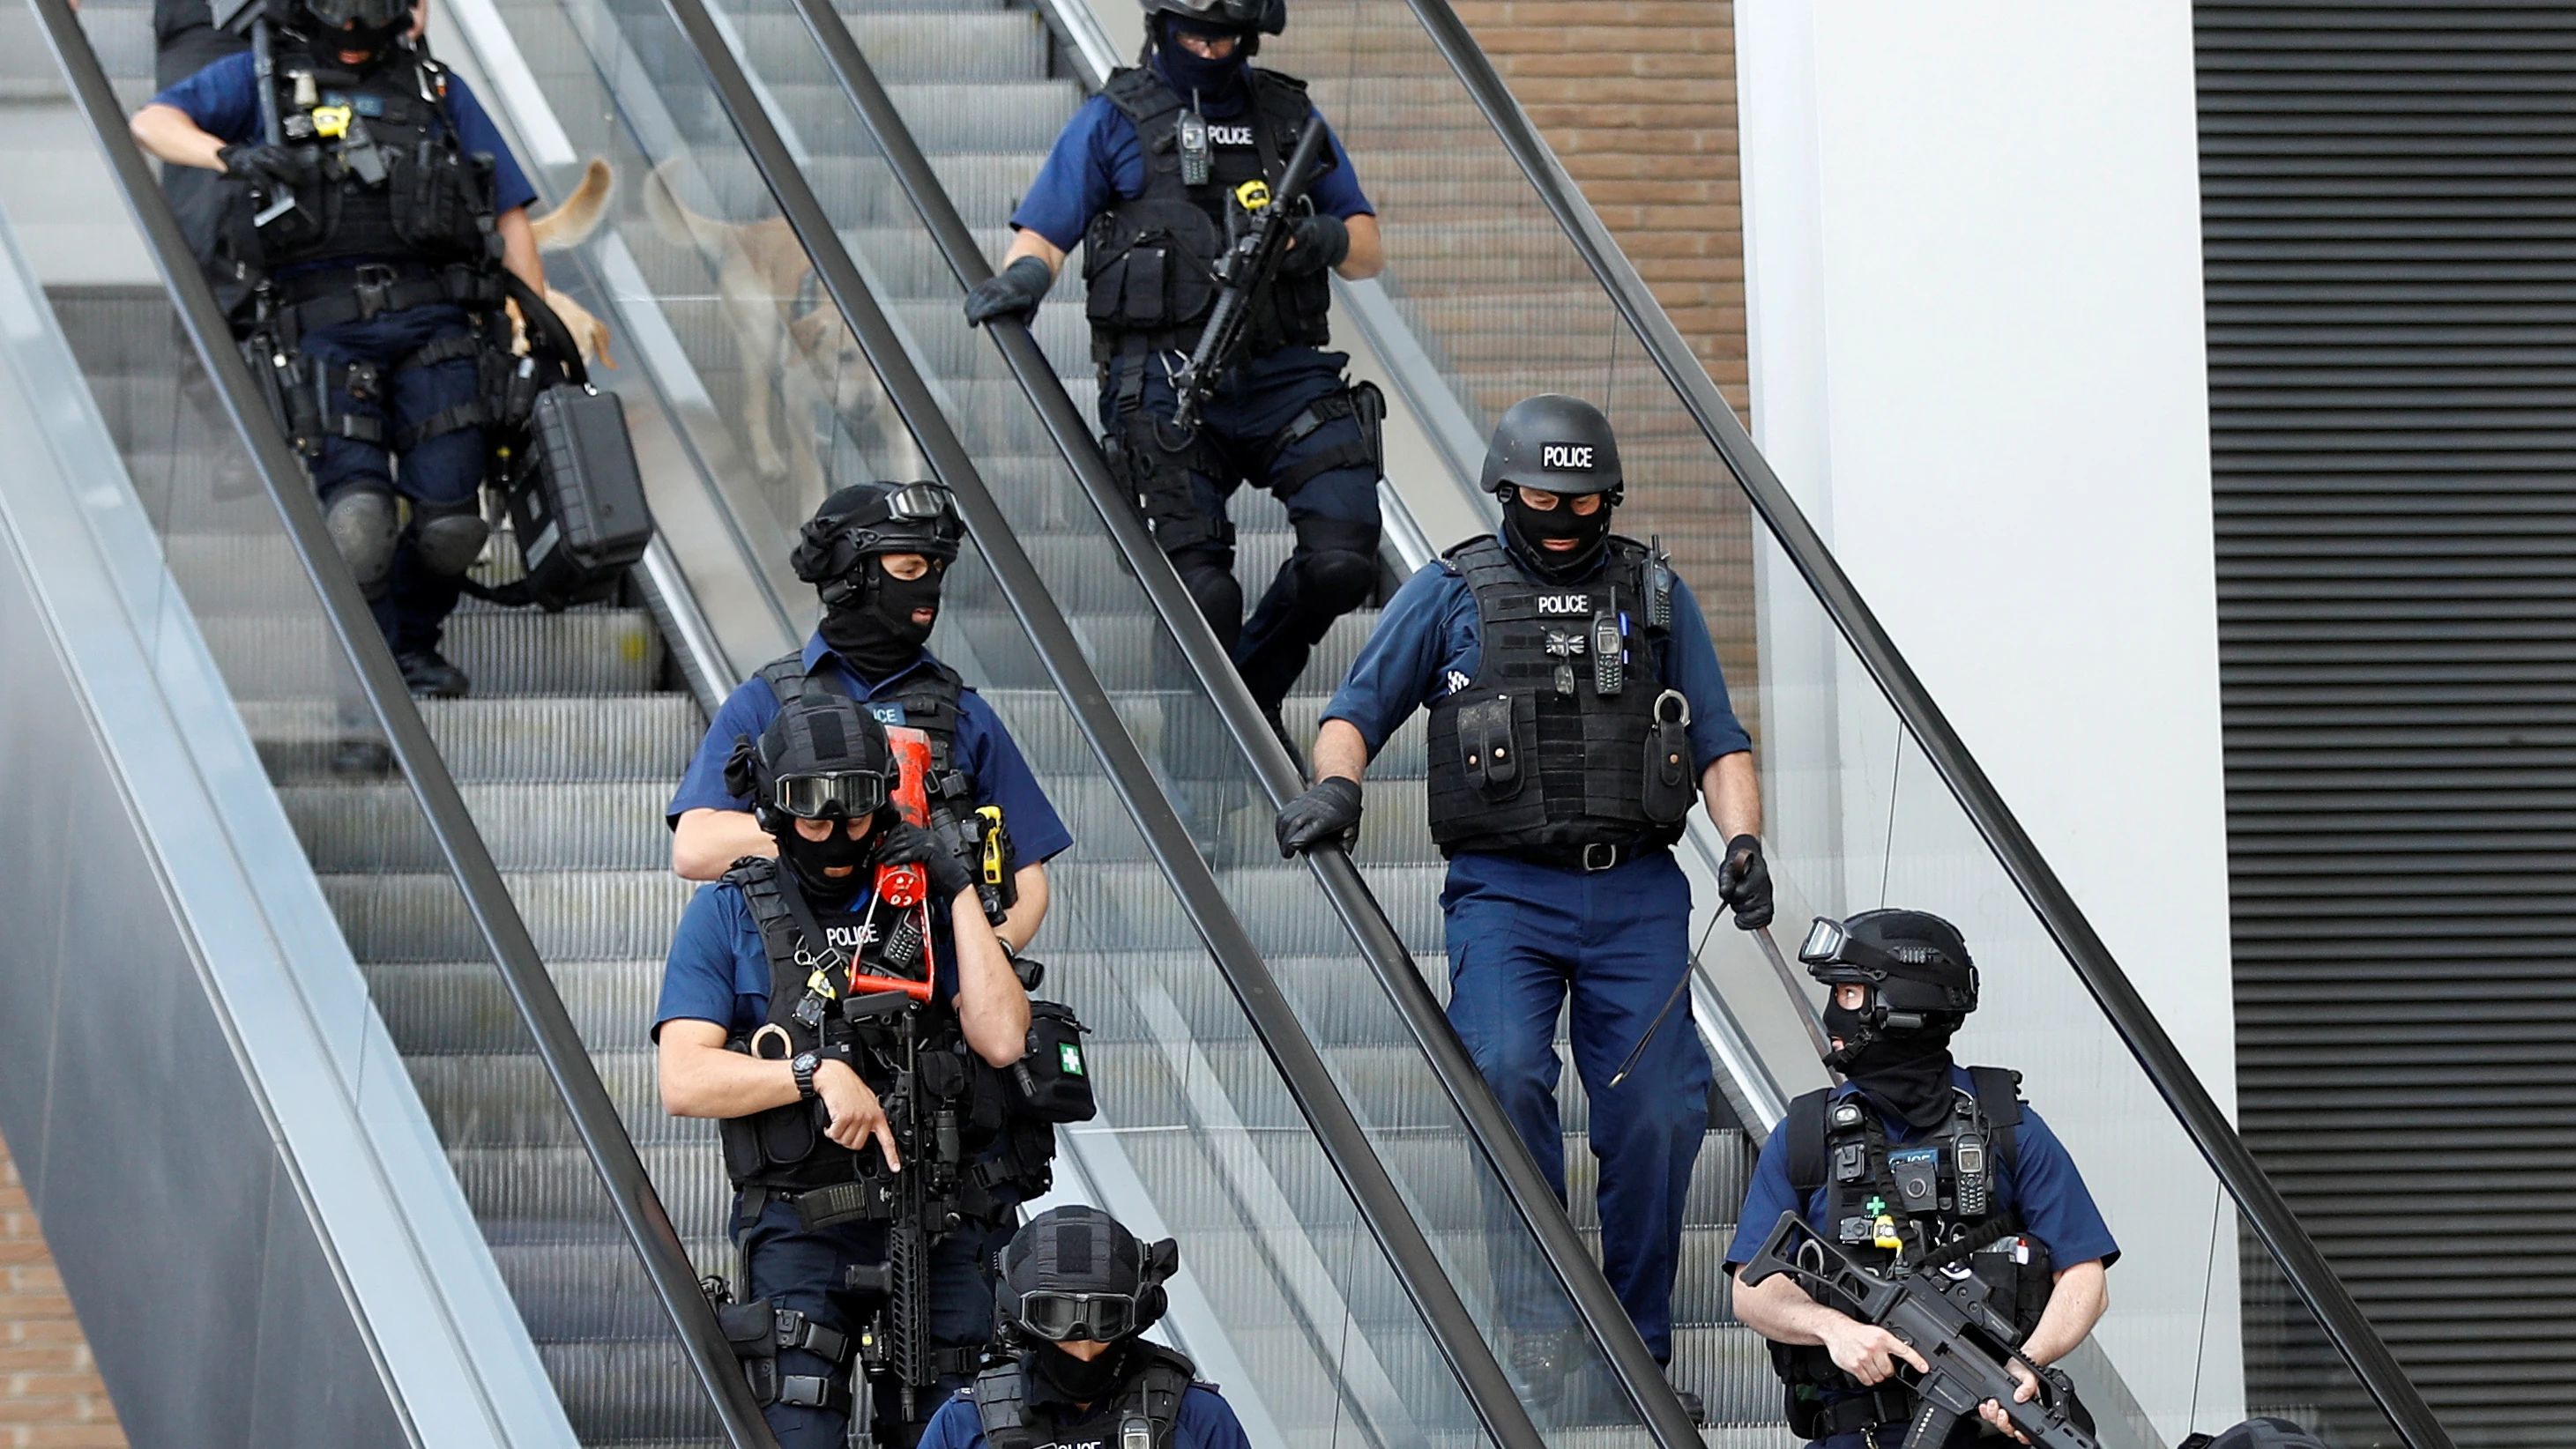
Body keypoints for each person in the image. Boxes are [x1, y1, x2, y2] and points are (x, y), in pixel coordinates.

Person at [1273, 392, 1772, 1418]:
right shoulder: (1451, 588)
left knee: (1662, 1117)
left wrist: (1746, 842)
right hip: (1504, 893)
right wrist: (1337, 787)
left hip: (1636, 892)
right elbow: (1352, 712)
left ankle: (1635, 1352)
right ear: (1506, 487)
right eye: (1542, 494)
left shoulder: (1657, 592)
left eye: (1583, 499)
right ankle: (1541, 1335)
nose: (1562, 514)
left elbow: (1719, 737)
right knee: (1503, 1074)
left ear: (1611, 497)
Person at [959, 0, 1389, 744]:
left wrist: (1320, 236)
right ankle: (1198, 763)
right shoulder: (1114, 120)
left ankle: (1248, 691)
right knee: (1203, 594)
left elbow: (1367, 248)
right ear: (1160, 24)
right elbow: (1043, 235)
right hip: (1163, 382)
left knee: (1345, 558)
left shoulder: (1287, 116)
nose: (1208, 46)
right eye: (1194, 31)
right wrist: (1024, 283)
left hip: (1286, 377)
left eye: (1223, 35)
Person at [129, 0, 548, 697]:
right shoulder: (257, 77)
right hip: (320, 337)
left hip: (437, 328)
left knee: (453, 527)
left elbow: (507, 209)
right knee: (358, 526)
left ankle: (414, 644)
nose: (354, 29)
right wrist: (229, 155)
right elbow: (152, 123)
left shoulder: (434, 87)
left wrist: (531, 334)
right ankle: (371, 679)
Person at [657, 694, 1034, 1447]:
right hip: (804, 1222)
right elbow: (684, 1080)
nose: (834, 833)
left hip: (942, 1214)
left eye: (857, 810)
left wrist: (955, 886)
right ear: (772, 808)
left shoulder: (921, 894)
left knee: (960, 1429)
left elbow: (1000, 1039)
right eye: (811, 813)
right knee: (795, 1425)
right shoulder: (728, 912)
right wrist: (812, 1073)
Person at [1728, 910, 2118, 1448]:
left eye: (1848, 994)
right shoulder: (1805, 1134)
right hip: (1854, 1431)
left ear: (1904, 1006)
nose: (1831, 1017)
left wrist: (2024, 1367)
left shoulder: (2006, 1127)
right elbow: (1751, 1290)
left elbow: (2085, 1280)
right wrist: (1835, 1329)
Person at [667, 481, 1072, 962]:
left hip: (933, 982)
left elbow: (1028, 877)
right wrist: (845, 832)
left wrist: (990, 961)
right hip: (798, 974)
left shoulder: (966, 714)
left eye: (937, 571)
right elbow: (694, 848)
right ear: (850, 574)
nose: (929, 589)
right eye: (909, 569)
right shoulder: (766, 702)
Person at [913, 1205, 1253, 1449]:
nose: (1085, 1350)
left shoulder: (1198, 1415)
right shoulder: (964, 1423)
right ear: (1025, 1321)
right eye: (1056, 1320)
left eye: (1105, 1319)